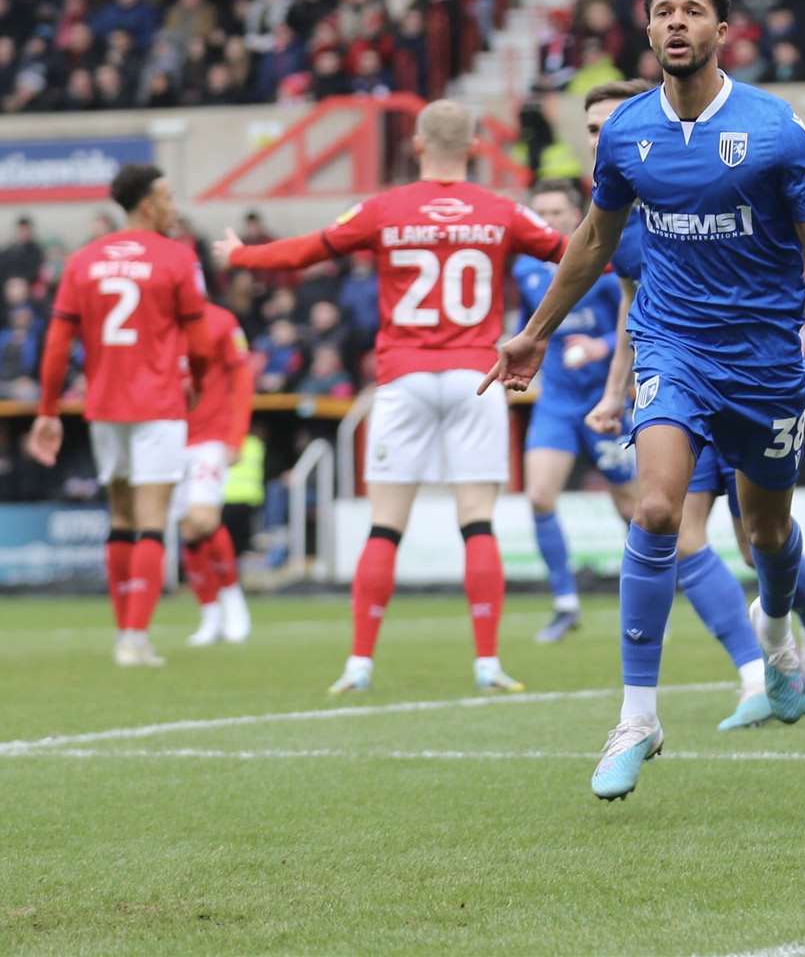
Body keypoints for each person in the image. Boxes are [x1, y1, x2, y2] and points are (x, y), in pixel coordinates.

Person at [483, 0, 805, 799]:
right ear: (647, 30)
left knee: (767, 536)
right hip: (673, 348)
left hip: (766, 363)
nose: (676, 23)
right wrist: (532, 335)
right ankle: (638, 716)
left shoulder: (775, 130)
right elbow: (595, 244)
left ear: (721, 30)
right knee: (660, 508)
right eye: (662, 11)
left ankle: (780, 628)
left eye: (692, 11)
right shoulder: (628, 134)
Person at [214, 100, 566, 696]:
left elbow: (309, 250)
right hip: (474, 377)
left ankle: (359, 662)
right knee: (476, 520)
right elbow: (572, 254)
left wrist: (242, 254)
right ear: (476, 147)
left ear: (418, 146)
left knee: (385, 527)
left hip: (402, 378)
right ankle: (486, 662)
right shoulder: (500, 211)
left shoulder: (385, 209)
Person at [577, 79, 805, 734]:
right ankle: (668, 705)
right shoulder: (620, 201)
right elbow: (632, 302)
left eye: (605, 128)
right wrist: (613, 391)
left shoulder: (700, 164)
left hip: (754, 367)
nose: (598, 140)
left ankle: (797, 631)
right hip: (675, 371)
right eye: (590, 131)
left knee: (760, 532)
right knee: (666, 521)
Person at [28, 164, 214, 668]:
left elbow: (57, 343)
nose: (174, 207)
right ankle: (135, 637)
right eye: (168, 197)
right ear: (147, 204)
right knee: (153, 522)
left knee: (122, 518)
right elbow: (199, 340)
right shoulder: (176, 258)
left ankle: (123, 632)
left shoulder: (83, 260)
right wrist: (196, 380)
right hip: (158, 404)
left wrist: (48, 410)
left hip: (106, 406)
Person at [518, 177, 637, 642]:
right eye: (540, 214)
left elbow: (632, 320)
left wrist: (600, 345)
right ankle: (565, 603)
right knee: (540, 496)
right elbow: (530, 326)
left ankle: (647, 603)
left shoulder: (605, 265)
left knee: (632, 507)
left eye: (556, 213)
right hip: (558, 402)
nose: (547, 221)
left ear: (577, 215)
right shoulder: (527, 269)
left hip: (605, 401)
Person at [176, 302, 255, 647]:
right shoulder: (153, 319)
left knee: (203, 518)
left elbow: (242, 377)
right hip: (166, 436)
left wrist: (236, 435)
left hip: (209, 435)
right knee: (187, 528)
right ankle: (209, 612)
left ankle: (233, 599)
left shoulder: (221, 320)